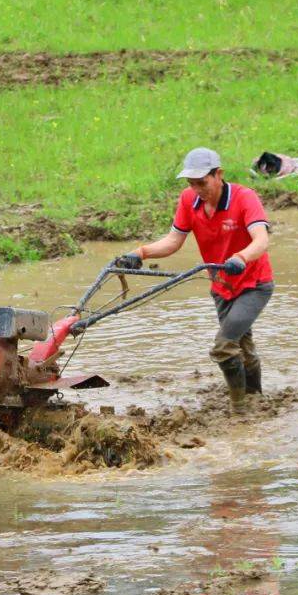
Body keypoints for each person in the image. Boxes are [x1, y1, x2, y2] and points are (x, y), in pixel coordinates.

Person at [114, 147, 273, 410]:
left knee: (224, 347)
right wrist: (140, 253)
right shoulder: (189, 200)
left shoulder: (244, 198)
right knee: (241, 344)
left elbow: (261, 239)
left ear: (218, 174)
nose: (197, 189)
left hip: (253, 285)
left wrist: (241, 258)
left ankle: (240, 410)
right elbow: (174, 241)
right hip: (222, 286)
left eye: (202, 182)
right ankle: (255, 397)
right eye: (191, 183)